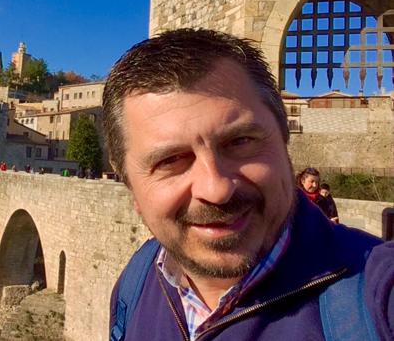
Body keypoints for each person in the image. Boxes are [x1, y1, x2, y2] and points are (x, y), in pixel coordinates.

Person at [102, 29, 393, 341]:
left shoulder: (376, 299)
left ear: (284, 140)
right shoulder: (136, 282)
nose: (215, 189)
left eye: (240, 142)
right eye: (171, 160)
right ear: (130, 185)